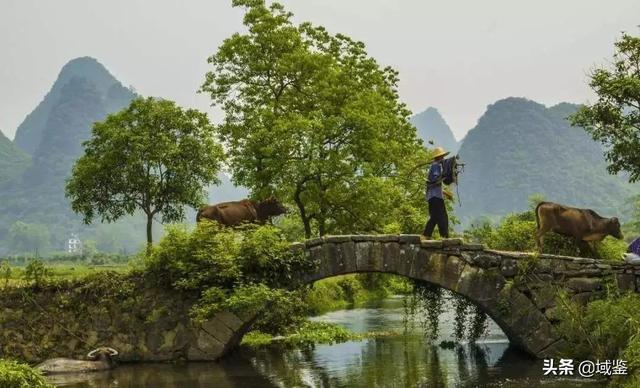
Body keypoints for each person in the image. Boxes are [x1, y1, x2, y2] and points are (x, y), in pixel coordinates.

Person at [422, 147, 453, 240]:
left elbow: (435, 184)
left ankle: (426, 235)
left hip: (433, 196)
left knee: (435, 217)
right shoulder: (436, 166)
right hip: (435, 197)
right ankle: (444, 236)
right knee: (443, 216)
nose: (443, 159)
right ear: (439, 157)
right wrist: (444, 175)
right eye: (442, 157)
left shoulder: (435, 165)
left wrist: (446, 193)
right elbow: (436, 180)